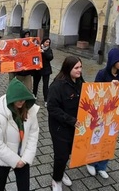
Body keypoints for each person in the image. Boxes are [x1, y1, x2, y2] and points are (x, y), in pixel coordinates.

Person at [0, 77, 39, 191]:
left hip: (23, 157)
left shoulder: (30, 111)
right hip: (3, 159)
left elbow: (33, 134)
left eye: (24, 99)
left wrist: (25, 159)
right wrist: (15, 161)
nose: (21, 102)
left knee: (24, 186)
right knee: (0, 182)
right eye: (18, 99)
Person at [86, 48, 119, 179]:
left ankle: (102, 166)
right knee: (96, 137)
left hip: (114, 114)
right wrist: (109, 86)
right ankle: (91, 162)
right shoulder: (102, 74)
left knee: (109, 140)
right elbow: (95, 94)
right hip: (100, 113)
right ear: (112, 60)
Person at [47, 56, 84, 191]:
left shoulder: (80, 81)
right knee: (61, 155)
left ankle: (61, 172)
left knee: (67, 152)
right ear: (68, 68)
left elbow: (91, 94)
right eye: (76, 68)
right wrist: (71, 120)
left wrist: (113, 86)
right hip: (59, 127)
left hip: (75, 126)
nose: (79, 70)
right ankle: (56, 180)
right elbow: (52, 108)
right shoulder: (57, 85)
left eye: (81, 67)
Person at [32, 37, 54, 107]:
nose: (47, 43)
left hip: (46, 70)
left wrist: (43, 52)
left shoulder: (49, 50)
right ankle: (34, 96)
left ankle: (46, 100)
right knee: (35, 83)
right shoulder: (37, 47)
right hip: (38, 69)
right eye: (46, 42)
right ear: (43, 42)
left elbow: (50, 57)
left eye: (49, 42)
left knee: (45, 85)